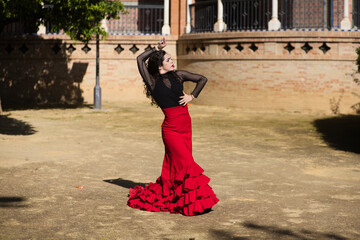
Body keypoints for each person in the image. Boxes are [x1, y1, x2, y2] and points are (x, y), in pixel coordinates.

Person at [127, 37, 219, 216]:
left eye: (171, 59)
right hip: (171, 129)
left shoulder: (179, 75)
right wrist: (156, 49)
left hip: (186, 125)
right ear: (160, 65)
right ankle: (195, 203)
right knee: (186, 163)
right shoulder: (152, 82)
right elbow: (139, 60)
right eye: (168, 60)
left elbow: (202, 79)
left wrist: (192, 96)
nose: (172, 61)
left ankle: (183, 198)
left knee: (179, 165)